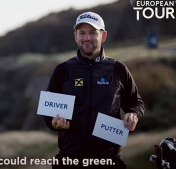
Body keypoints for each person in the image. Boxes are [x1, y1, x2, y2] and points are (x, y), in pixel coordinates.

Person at [43, 11, 144, 169]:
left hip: (108, 161)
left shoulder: (118, 69)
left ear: (103, 36)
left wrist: (133, 114)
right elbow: (48, 111)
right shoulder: (63, 70)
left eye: (92, 33)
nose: (87, 38)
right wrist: (53, 123)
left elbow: (136, 103)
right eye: (82, 33)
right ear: (75, 36)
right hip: (69, 160)